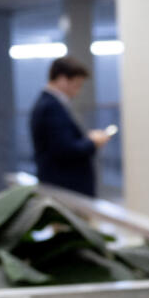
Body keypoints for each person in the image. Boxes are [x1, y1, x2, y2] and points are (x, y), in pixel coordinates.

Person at [30, 56, 111, 196]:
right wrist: (92, 142)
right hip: (65, 188)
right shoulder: (51, 107)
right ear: (62, 79)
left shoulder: (47, 104)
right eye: (76, 85)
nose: (77, 91)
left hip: (60, 185)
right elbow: (64, 149)